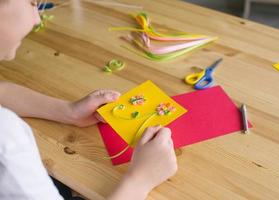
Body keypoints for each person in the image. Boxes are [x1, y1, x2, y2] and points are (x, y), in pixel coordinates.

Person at [0, 1, 178, 200]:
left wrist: (67, 111)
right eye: (32, 3)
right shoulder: (6, 140)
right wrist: (140, 180)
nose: (37, 18)